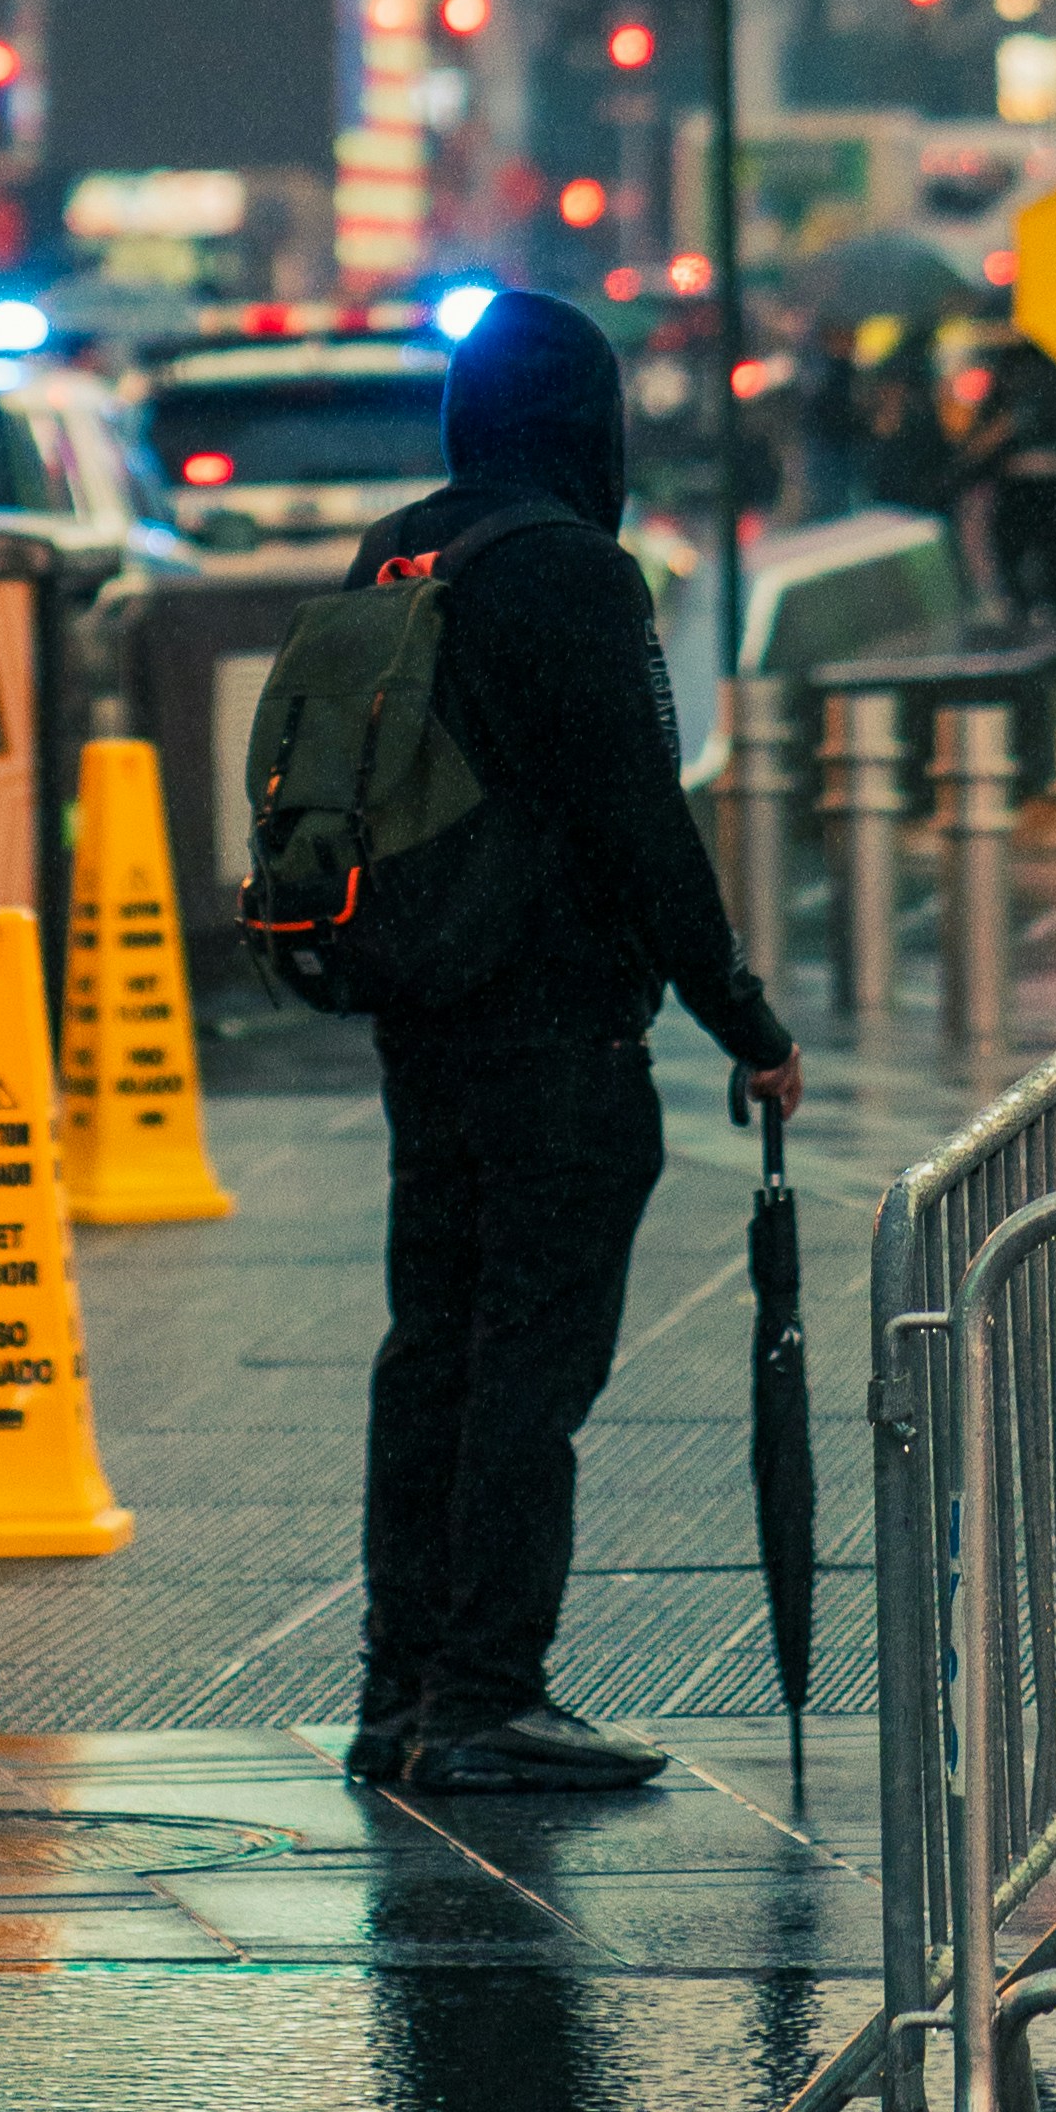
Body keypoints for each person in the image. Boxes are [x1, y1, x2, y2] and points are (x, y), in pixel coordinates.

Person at [332, 284, 800, 1808]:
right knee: (529, 1366)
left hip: (424, 1019)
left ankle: (396, 1686)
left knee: (431, 1351)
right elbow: (637, 824)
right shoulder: (572, 573)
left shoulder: (400, 546)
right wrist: (742, 1014)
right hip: (553, 1037)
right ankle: (484, 1694)